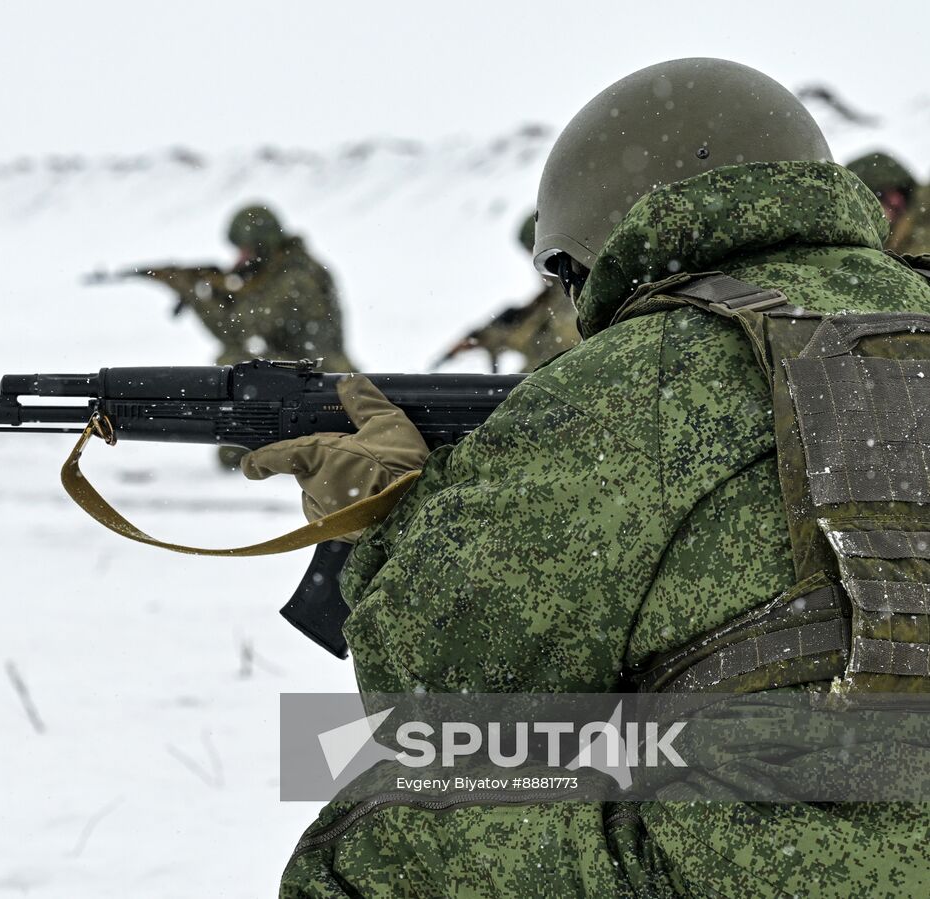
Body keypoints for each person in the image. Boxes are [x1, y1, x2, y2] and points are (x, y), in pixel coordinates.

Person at [242, 58, 929, 896]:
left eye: (569, 277)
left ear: (604, 236)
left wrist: (393, 514)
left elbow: (437, 692)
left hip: (822, 860)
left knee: (387, 820)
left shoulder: (639, 380)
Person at [112, 204, 356, 467]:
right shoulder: (286, 268)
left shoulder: (294, 277)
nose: (240, 258)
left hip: (322, 383)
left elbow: (237, 331)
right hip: (313, 373)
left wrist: (196, 293)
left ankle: (254, 434)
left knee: (235, 361)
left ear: (262, 245)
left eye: (246, 250)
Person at [434, 213, 580, 372]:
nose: (538, 267)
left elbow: (555, 346)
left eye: (537, 256)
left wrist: (505, 336)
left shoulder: (572, 296)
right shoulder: (556, 294)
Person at [846, 151, 930, 255]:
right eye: (882, 195)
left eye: (902, 191)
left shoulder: (921, 229)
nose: (896, 200)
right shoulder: (877, 246)